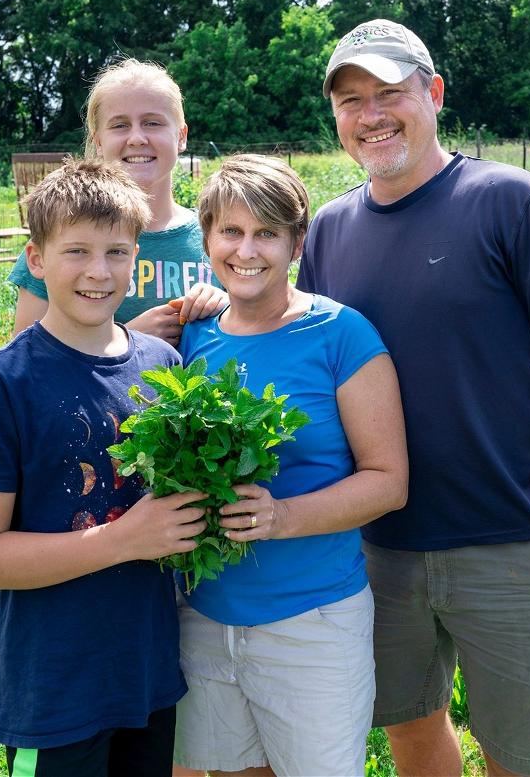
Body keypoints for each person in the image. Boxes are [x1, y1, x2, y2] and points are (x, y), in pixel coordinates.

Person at [296, 19, 530, 777]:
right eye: (350, 101)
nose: (370, 114)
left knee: (520, 754)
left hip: (509, 540)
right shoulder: (330, 232)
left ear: (433, 93)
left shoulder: (509, 200)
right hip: (379, 547)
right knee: (410, 727)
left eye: (388, 93)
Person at [0, 159, 209, 777]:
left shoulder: (161, 365)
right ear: (36, 259)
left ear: (137, 256)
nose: (98, 270)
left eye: (117, 251)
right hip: (55, 690)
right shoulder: (0, 387)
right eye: (76, 250)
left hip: (147, 674)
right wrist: (123, 539)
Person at [170, 154, 408, 777]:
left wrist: (280, 516)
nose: (246, 251)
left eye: (267, 233)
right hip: (204, 615)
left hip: (312, 622)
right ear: (207, 238)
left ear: (297, 242)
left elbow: (389, 480)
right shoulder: (193, 337)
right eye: (231, 231)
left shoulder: (340, 334)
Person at [9, 58, 226, 344]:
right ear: (98, 141)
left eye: (152, 123)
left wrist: (227, 307)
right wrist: (128, 340)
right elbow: (27, 359)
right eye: (120, 125)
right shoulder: (63, 239)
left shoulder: (221, 237)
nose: (137, 138)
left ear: (181, 136)